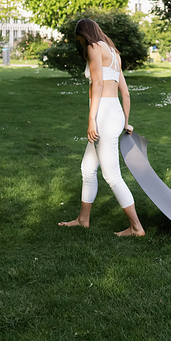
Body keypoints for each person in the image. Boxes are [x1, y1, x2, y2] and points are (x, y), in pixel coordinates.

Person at [58, 18, 145, 237]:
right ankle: (82, 220)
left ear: (83, 35)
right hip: (113, 113)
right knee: (88, 169)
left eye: (79, 39)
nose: (80, 44)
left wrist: (91, 119)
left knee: (112, 175)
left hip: (103, 116)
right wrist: (125, 122)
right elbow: (125, 93)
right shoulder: (114, 52)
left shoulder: (94, 47)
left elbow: (97, 84)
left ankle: (136, 227)